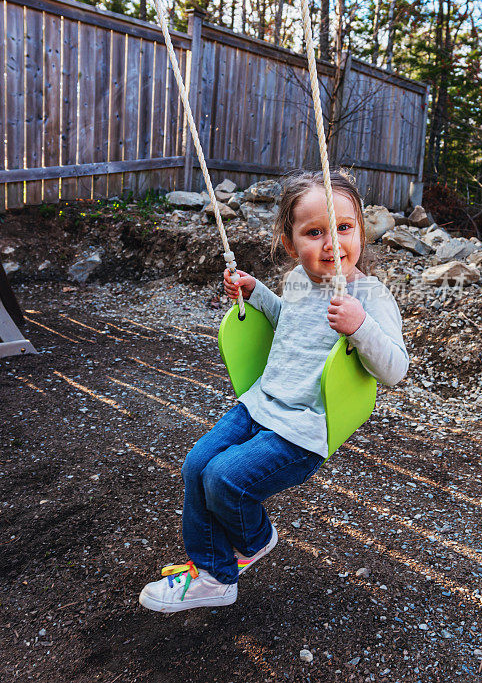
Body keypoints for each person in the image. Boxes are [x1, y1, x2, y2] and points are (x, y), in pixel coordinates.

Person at [139, 170, 408, 613]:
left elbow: (395, 370)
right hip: (261, 404)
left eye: (344, 227)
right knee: (197, 465)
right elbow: (292, 326)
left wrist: (360, 326)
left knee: (224, 478)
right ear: (289, 242)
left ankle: (250, 544)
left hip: (303, 428)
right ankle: (211, 569)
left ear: (361, 229)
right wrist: (257, 293)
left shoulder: (371, 297)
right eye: (314, 232)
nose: (332, 243)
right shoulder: (299, 281)